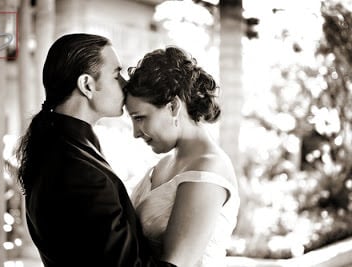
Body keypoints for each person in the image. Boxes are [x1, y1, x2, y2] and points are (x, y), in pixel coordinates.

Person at [16, 33, 176, 267]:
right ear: (87, 85)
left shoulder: (59, 148)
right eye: (116, 75)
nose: (125, 84)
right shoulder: (77, 171)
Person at [124, 46, 240, 267]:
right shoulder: (163, 164)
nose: (135, 132)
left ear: (173, 106)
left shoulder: (208, 170)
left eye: (140, 118)